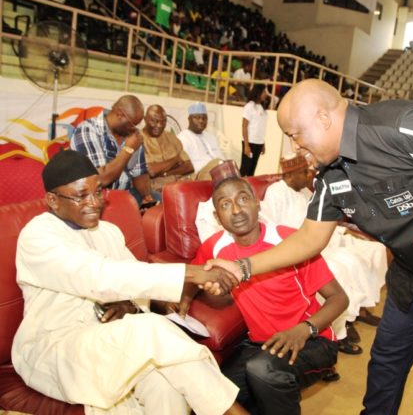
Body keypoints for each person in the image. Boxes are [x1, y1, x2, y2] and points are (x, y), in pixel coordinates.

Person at [207, 78, 413, 414]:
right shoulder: (331, 174)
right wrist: (244, 267)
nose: (293, 147)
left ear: (323, 119)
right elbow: (309, 237)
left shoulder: (401, 126)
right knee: (386, 363)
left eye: (294, 134)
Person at [12, 150, 247, 415]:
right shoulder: (37, 235)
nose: (94, 203)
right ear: (53, 200)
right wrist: (190, 274)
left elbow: (133, 283)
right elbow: (97, 276)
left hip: (108, 339)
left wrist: (131, 307)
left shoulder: (108, 232)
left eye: (98, 192)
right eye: (81, 196)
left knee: (165, 382)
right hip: (55, 348)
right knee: (151, 330)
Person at [192, 161, 348, 415]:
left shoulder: (290, 240)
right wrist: (181, 300)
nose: (236, 210)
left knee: (264, 372)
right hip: (259, 345)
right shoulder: (215, 247)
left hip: (313, 341)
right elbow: (193, 274)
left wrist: (303, 330)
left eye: (243, 199)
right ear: (216, 217)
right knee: (217, 394)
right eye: (224, 205)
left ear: (257, 202)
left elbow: (339, 298)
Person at [261, 153, 389, 352]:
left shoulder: (304, 191)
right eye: (303, 172)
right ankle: (341, 325)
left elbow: (321, 221)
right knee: (346, 266)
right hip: (301, 251)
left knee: (375, 250)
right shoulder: (275, 192)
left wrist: (340, 230)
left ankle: (361, 308)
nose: (308, 175)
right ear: (288, 175)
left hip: (326, 240)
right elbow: (272, 229)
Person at [70, 94, 160, 207]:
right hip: (92, 196)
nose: (134, 128)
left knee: (159, 201)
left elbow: (139, 174)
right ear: (119, 114)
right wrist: (128, 150)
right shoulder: (87, 130)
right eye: (132, 124)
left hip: (124, 194)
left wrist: (147, 197)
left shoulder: (131, 134)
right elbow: (101, 179)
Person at [141, 104, 194, 192]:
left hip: (179, 183)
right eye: (154, 121)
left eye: (163, 121)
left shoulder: (171, 137)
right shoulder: (138, 139)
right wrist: (176, 160)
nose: (159, 125)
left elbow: (189, 166)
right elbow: (151, 171)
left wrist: (166, 173)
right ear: (145, 119)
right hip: (155, 188)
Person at [177, 102, 225, 180]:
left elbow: (222, 158)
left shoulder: (211, 137)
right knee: (217, 162)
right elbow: (185, 166)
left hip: (219, 173)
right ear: (189, 119)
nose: (201, 121)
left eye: (204, 118)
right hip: (198, 176)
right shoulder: (183, 138)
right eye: (197, 117)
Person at [240, 84, 268, 176]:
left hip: (258, 143)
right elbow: (244, 126)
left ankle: (247, 189)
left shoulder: (262, 108)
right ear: (258, 92)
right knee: (245, 170)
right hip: (250, 143)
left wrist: (263, 143)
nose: (265, 94)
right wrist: (246, 145)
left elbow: (261, 127)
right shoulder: (249, 106)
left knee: (252, 172)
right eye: (264, 92)